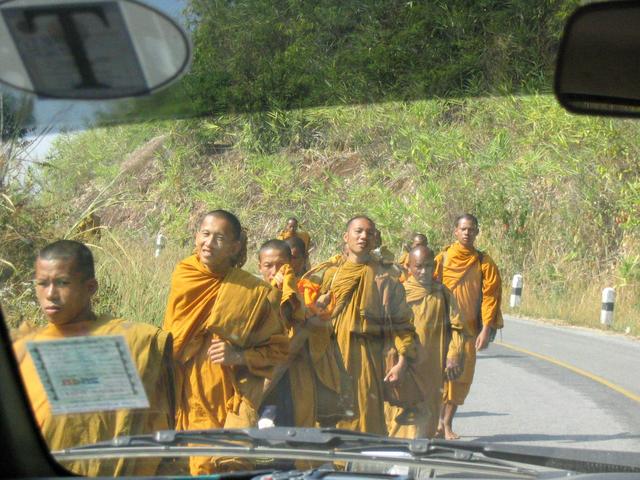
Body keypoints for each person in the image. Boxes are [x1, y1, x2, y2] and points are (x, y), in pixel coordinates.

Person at [12, 240, 174, 477]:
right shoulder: (22, 348)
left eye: (62, 283)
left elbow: (159, 426)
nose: (50, 294)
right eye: (42, 283)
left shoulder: (133, 340)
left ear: (91, 287)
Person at [163, 210, 289, 474]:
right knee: (194, 463)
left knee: (226, 465)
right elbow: (171, 335)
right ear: (196, 236)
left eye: (219, 238)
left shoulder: (254, 292)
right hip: (186, 385)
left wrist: (238, 356)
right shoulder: (185, 274)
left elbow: (278, 350)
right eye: (205, 234)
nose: (209, 243)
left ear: (235, 247)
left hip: (231, 393)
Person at [317, 216, 418, 434]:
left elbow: (402, 323)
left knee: (364, 414)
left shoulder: (386, 278)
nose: (363, 237)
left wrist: (402, 361)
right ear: (346, 237)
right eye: (358, 231)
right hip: (330, 354)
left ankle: (361, 463)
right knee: (328, 414)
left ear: (374, 240)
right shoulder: (331, 275)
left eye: (369, 233)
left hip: (366, 357)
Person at [258, 239, 346, 428]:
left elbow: (320, 337)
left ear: (292, 265)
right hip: (263, 378)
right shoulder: (255, 296)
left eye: (282, 266)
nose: (275, 272)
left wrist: (310, 314)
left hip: (298, 377)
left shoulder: (305, 292)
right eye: (268, 266)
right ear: (259, 267)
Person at [386, 245, 468, 438]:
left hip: (432, 368)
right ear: (409, 267)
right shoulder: (400, 293)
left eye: (429, 266)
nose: (424, 271)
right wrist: (399, 363)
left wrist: (454, 354)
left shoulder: (443, 294)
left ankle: (420, 460)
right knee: (402, 418)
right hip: (404, 366)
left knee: (428, 416)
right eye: (419, 266)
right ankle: (401, 463)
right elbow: (391, 331)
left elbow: (457, 327)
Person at [434, 214, 503, 439]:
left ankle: (447, 424)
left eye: (471, 229)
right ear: (455, 231)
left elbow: (490, 297)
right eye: (463, 229)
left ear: (477, 232)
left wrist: (486, 329)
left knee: (460, 378)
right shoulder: (442, 259)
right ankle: (437, 424)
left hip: (468, 331)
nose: (467, 233)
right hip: (441, 329)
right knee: (438, 377)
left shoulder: (483, 262)